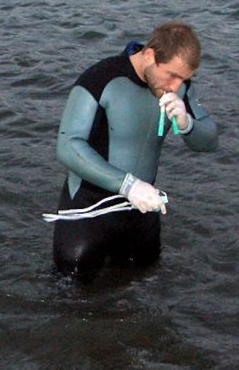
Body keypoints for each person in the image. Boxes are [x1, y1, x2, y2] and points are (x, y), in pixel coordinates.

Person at [52, 21, 218, 283]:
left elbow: (210, 142)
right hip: (89, 209)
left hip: (142, 211)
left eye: (184, 79)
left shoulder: (179, 89)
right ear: (150, 55)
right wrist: (127, 185)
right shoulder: (101, 78)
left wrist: (187, 124)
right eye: (171, 76)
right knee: (72, 295)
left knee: (143, 288)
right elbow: (67, 146)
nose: (176, 87)